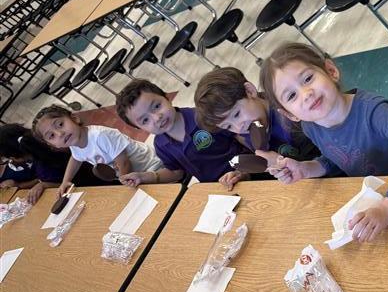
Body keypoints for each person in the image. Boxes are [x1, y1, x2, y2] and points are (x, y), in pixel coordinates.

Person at [259, 43, 388, 243]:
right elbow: (334, 158)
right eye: (292, 96)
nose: (306, 94)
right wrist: (305, 169)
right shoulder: (311, 127)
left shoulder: (373, 110)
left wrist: (386, 208)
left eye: (308, 78)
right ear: (289, 114)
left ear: (331, 71)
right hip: (386, 200)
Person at [116, 79, 246, 189]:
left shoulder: (203, 116)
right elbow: (176, 172)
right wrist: (144, 176)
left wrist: (243, 171)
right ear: (139, 128)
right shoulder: (160, 144)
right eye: (145, 120)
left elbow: (241, 136)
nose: (157, 118)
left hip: (244, 175)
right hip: (213, 188)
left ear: (166, 98)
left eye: (156, 106)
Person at [194, 67, 318, 172]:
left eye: (237, 114)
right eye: (228, 127)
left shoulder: (291, 113)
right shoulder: (247, 134)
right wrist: (244, 174)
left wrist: (280, 162)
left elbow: (327, 160)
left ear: (250, 91)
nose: (239, 127)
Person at [32, 105, 163, 196]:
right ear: (52, 145)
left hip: (153, 166)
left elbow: (124, 163)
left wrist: (123, 185)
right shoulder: (74, 144)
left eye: (60, 124)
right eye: (52, 136)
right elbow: (75, 158)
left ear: (74, 119)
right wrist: (65, 181)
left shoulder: (100, 136)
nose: (60, 133)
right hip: (135, 176)